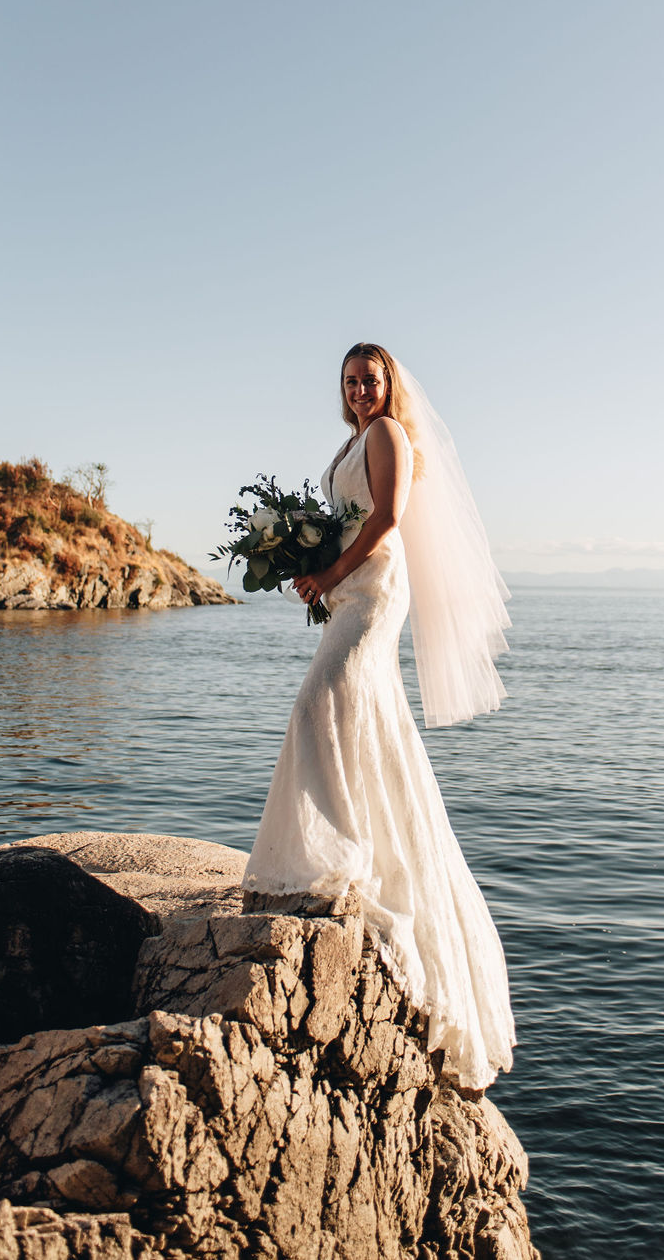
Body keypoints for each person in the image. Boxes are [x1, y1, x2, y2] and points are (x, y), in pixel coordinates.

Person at [243, 343, 515, 1089]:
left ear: (390, 384)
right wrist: (309, 555)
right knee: (360, 712)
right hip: (347, 590)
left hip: (373, 589)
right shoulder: (351, 440)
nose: (362, 390)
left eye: (372, 380)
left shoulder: (389, 434)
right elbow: (351, 514)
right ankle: (348, 842)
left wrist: (331, 569)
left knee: (322, 700)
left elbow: (390, 515)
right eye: (351, 382)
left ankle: (339, 856)